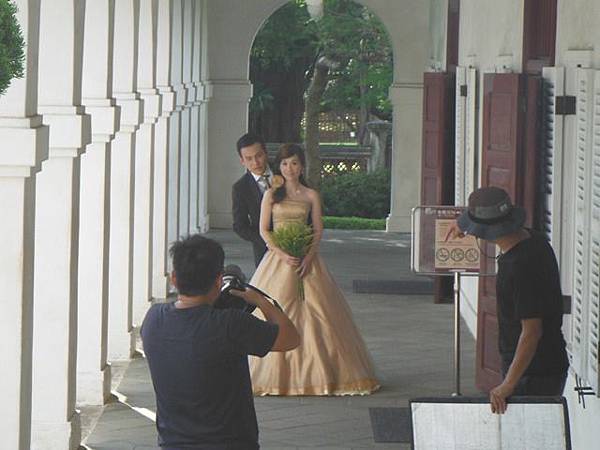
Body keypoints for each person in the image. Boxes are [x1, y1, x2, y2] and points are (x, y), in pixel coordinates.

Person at [140, 234, 300, 449]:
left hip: (173, 443)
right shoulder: (231, 324)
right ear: (218, 280)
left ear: (174, 279)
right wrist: (261, 301)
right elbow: (290, 338)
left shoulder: (153, 319)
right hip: (230, 442)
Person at [249, 143, 380, 396]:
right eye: (285, 163)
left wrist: (308, 256)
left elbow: (318, 229)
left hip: (307, 260)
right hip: (279, 260)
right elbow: (264, 229)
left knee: (318, 313)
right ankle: (274, 376)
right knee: (277, 310)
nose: (289, 168)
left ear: (302, 166)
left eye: (295, 163)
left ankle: (323, 373)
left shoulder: (311, 195)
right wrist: (281, 253)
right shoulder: (271, 195)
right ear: (280, 166)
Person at [446, 186, 568, 414]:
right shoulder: (535, 240)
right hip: (546, 363)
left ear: (486, 231)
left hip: (533, 373)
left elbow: (532, 331)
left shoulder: (519, 266)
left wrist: (507, 384)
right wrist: (465, 226)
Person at [232, 133, 273, 267]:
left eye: (259, 156)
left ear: (265, 153)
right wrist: (267, 240)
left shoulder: (286, 171)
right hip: (264, 250)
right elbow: (240, 226)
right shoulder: (240, 188)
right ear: (242, 161)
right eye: (249, 159)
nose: (255, 162)